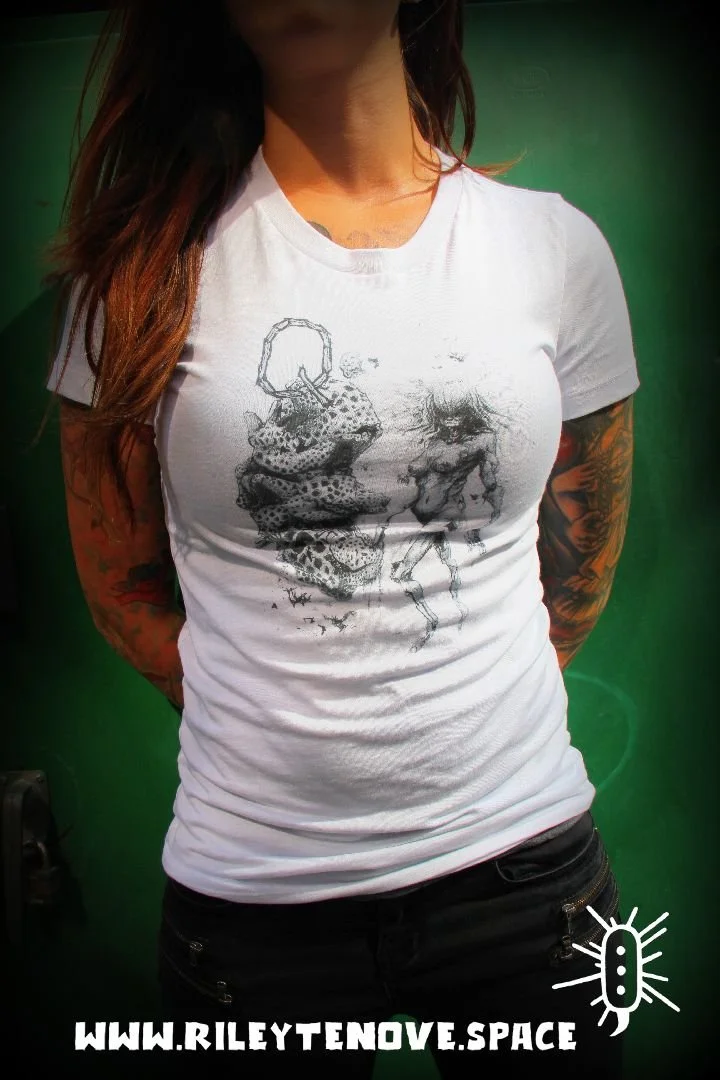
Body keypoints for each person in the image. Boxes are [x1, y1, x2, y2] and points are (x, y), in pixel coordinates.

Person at [39, 1, 640, 1076]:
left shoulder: (553, 248)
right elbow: (121, 589)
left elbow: (580, 565)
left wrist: (447, 710)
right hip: (255, 902)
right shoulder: (133, 274)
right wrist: (277, 715)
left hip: (524, 877)